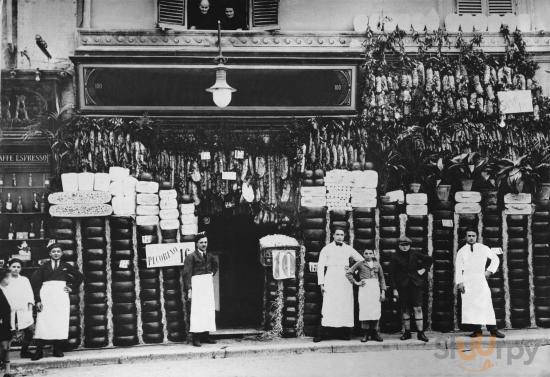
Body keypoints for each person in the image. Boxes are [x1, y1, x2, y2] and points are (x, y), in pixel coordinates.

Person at [30, 242, 83, 360]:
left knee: (60, 321)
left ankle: (57, 349)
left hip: (61, 297)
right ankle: (39, 351)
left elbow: (80, 276)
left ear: (62, 253)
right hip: (46, 296)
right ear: (50, 253)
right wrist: (38, 300)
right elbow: (36, 283)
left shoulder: (66, 265)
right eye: (53, 252)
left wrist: (71, 287)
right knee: (43, 321)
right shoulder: (44, 266)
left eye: (58, 251)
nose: (56, 253)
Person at [314, 227, 364, 342]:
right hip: (331, 278)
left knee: (345, 304)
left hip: (345, 278)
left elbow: (361, 260)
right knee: (329, 304)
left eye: (342, 235)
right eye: (337, 234)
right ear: (333, 235)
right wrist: (321, 283)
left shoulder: (348, 248)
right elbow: (321, 266)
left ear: (344, 236)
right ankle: (322, 334)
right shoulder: (326, 249)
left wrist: (352, 269)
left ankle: (344, 333)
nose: (339, 237)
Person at [455, 228, 505, 338]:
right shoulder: (461, 251)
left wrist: (489, 270)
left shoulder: (483, 248)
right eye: (469, 236)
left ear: (476, 236)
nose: (471, 238)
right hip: (467, 281)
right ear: (466, 237)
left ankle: (493, 330)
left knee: (486, 303)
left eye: (473, 235)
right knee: (472, 306)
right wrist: (460, 283)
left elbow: (495, 259)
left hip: (480, 280)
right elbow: (458, 268)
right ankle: (477, 330)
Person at [390, 236, 432, 342]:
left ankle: (420, 333)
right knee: (405, 309)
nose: (405, 247)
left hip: (415, 285)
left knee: (418, 308)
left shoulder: (415, 254)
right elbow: (392, 274)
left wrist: (423, 269)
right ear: (399, 245)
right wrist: (394, 289)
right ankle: (407, 332)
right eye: (402, 245)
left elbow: (429, 259)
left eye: (407, 245)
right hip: (402, 286)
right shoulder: (394, 257)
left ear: (410, 245)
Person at [183, 232, 218, 347]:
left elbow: (215, 265)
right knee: (197, 311)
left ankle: (206, 336)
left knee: (207, 309)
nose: (204, 244)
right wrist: (189, 288)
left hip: (207, 284)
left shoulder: (210, 255)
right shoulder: (191, 256)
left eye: (205, 242)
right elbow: (187, 274)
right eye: (201, 242)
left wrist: (211, 273)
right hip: (197, 284)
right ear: (196, 244)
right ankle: (196, 338)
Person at [346, 249, 386, 342]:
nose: (368, 255)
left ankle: (375, 333)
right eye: (366, 253)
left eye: (370, 253)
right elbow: (348, 273)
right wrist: (356, 282)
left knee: (376, 310)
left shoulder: (377, 264)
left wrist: (383, 292)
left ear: (373, 254)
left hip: (375, 289)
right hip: (365, 289)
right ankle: (365, 333)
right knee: (365, 310)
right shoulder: (360, 264)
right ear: (363, 254)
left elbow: (382, 278)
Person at [3, 259, 34, 359]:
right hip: (9, 310)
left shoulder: (24, 279)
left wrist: (30, 309)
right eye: (14, 267)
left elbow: (29, 294)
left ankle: (24, 351)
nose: (16, 269)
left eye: (18, 267)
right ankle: (4, 356)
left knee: (29, 331)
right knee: (8, 333)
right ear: (9, 267)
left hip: (23, 309)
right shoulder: (5, 279)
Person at [0, 269, 13, 377]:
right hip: (1, 322)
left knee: (6, 346)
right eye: (8, 277)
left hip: (5, 323)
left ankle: (7, 371)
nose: (9, 280)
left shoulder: (4, 290)